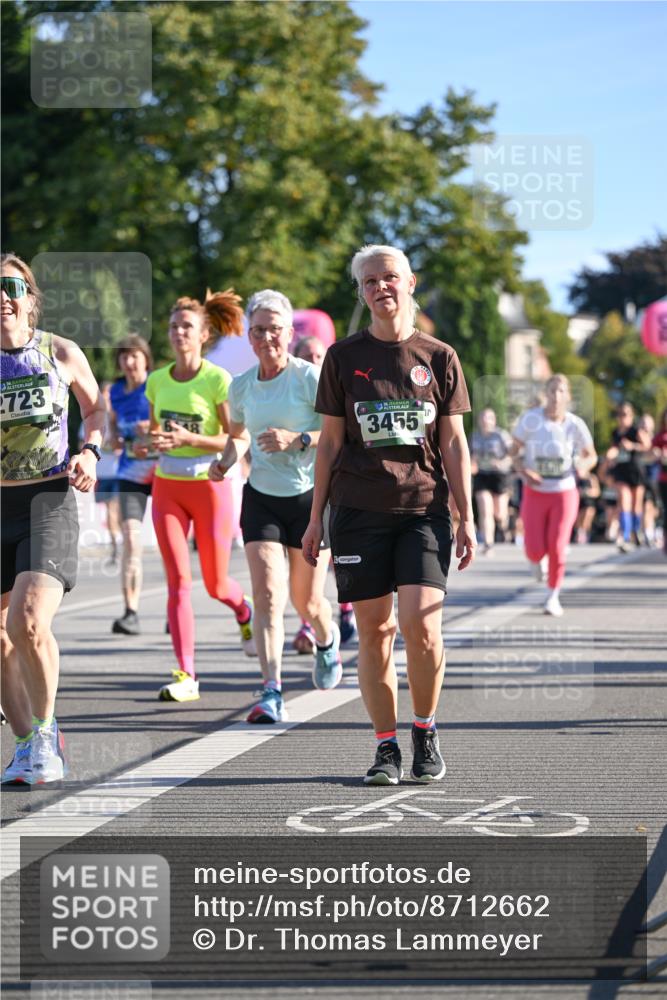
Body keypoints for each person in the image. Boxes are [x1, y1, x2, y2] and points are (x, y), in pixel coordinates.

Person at [302, 244, 475, 785]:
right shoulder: (341, 357)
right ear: (361, 292)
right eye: (370, 280)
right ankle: (385, 747)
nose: (382, 287)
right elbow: (328, 445)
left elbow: (454, 444)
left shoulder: (439, 357)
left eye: (390, 277)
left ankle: (424, 731)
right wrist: (315, 519)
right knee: (376, 632)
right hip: (358, 510)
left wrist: (466, 515)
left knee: (422, 627)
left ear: (410, 283)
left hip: (423, 509)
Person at [209, 289, 341, 725]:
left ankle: (326, 639)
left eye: (275, 329)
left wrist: (297, 439)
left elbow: (339, 436)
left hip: (308, 500)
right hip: (261, 498)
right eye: (259, 330)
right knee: (267, 595)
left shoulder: (308, 377)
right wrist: (224, 462)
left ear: (289, 332)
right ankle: (271, 690)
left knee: (308, 603)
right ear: (249, 336)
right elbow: (240, 436)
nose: (268, 337)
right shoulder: (241, 385)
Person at [1, 252, 105, 783]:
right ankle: (24, 744)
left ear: (30, 299)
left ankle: (45, 733)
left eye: (12, 287)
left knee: (27, 621)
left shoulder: (59, 352)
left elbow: (95, 407)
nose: (2, 297)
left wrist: (90, 451)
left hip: (48, 498)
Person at [143, 289, 255, 703]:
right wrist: (148, 445)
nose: (178, 333)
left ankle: (243, 609)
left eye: (186, 326)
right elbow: (158, 437)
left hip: (211, 486)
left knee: (214, 583)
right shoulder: (157, 381)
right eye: (173, 327)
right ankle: (186, 674)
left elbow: (234, 438)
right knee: (178, 582)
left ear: (204, 334)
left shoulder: (217, 379)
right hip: (167, 486)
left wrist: (190, 437)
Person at [291, 335, 358, 653]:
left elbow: (338, 435)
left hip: (335, 486)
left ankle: (345, 610)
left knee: (337, 557)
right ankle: (310, 621)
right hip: (295, 490)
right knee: (305, 564)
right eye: (307, 356)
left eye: (319, 356)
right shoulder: (291, 390)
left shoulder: (335, 385)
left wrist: (302, 437)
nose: (314, 362)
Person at [511, 374, 597, 617]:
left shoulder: (574, 423)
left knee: (558, 546)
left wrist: (583, 467)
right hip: (535, 491)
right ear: (546, 394)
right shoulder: (531, 419)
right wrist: (524, 470)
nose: (556, 396)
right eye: (552, 391)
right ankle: (536, 560)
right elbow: (513, 450)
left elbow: (591, 454)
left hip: (564, 491)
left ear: (567, 396)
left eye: (561, 392)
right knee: (535, 549)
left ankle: (553, 596)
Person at [108, 334, 157, 635]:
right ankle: (130, 611)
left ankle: (174, 607)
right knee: (130, 540)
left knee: (169, 543)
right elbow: (112, 426)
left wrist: (151, 429)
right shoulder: (115, 391)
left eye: (134, 356)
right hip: (130, 475)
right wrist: (115, 434)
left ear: (145, 359)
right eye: (124, 356)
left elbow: (173, 422)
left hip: (163, 470)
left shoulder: (157, 384)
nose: (128, 362)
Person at [606, 402, 651, 552]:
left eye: (625, 414)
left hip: (635, 471)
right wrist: (610, 456)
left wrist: (632, 446)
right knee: (624, 501)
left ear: (631, 416)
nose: (622, 418)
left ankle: (636, 531)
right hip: (621, 471)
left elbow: (647, 446)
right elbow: (613, 449)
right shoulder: (615, 433)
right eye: (619, 414)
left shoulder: (635, 431)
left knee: (636, 505)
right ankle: (624, 536)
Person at [470, 407, 512, 555]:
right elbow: (470, 456)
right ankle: (488, 543)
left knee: (499, 513)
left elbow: (512, 454)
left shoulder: (501, 435)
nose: (485, 421)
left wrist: (501, 463)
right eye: (483, 418)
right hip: (482, 475)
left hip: (500, 475)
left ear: (494, 420)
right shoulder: (474, 437)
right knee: (484, 508)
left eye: (488, 418)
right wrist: (472, 464)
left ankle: (504, 526)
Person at [652, 406, 667, 555]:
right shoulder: (659, 436)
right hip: (663, 478)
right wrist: (657, 454)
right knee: (665, 510)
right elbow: (649, 453)